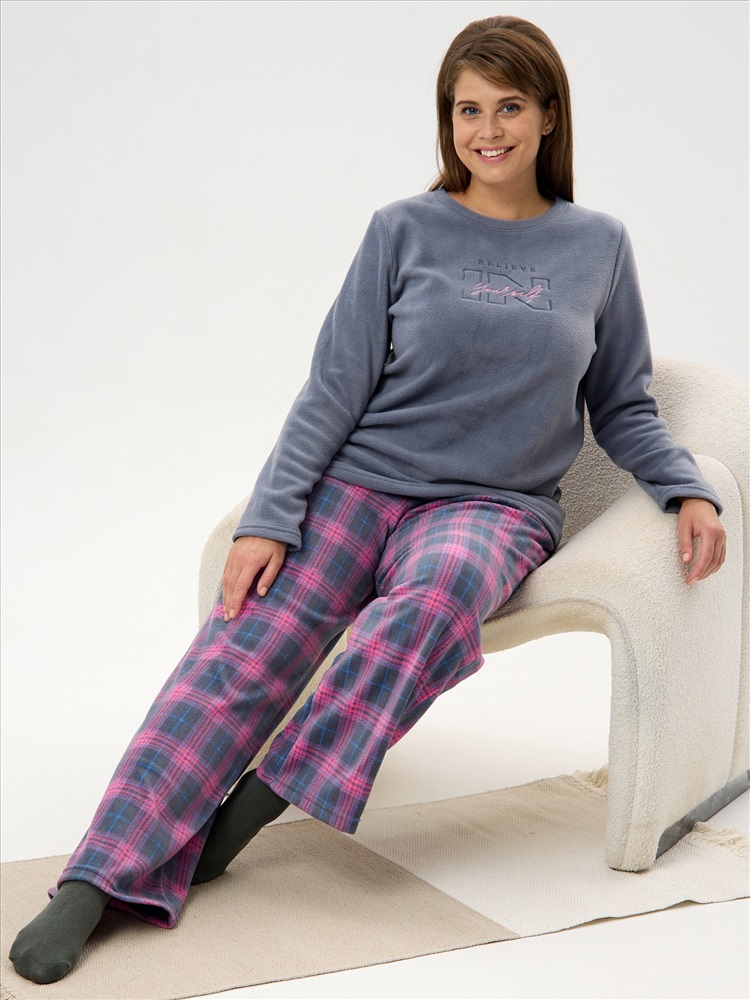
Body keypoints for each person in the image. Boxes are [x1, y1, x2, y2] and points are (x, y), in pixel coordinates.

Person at [9, 14, 726, 986]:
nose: (487, 130)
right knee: (240, 649)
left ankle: (262, 798)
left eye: (509, 107)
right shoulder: (404, 230)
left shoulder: (596, 246)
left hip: (493, 508)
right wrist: (270, 516)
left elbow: (624, 404)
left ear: (549, 115)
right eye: (467, 109)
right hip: (361, 483)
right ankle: (97, 878)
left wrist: (685, 488)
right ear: (447, 120)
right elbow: (334, 388)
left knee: (434, 601)